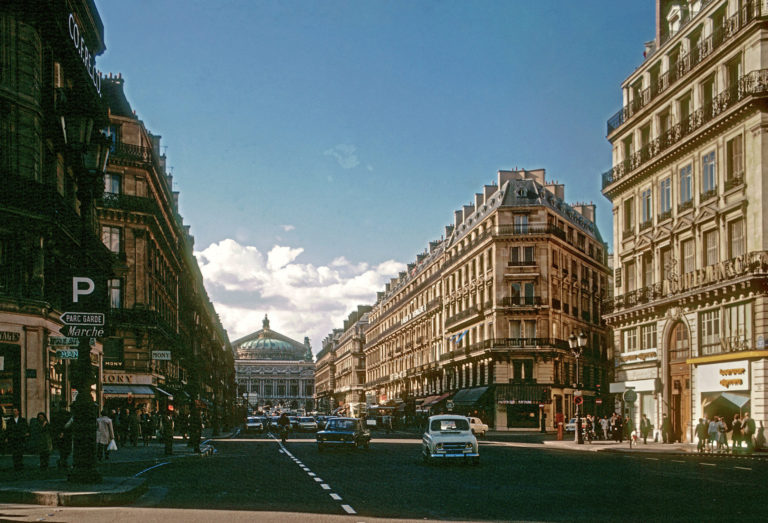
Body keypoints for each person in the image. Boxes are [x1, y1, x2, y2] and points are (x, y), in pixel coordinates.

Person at [6, 407, 29, 471]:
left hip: (20, 438)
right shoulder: (10, 421)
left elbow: (26, 428)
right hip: (13, 439)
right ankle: (16, 465)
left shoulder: (22, 420)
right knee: (14, 453)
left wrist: (26, 433)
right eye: (13, 411)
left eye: (15, 411)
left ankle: (20, 465)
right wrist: (7, 437)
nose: (14, 412)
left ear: (18, 412)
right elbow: (8, 430)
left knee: (20, 452)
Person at [51, 403, 72, 469]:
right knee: (67, 449)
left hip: (60, 434)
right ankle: (63, 461)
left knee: (62, 449)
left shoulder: (56, 414)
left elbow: (54, 425)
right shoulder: (68, 414)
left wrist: (59, 432)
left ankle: (62, 461)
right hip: (67, 434)